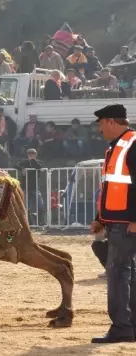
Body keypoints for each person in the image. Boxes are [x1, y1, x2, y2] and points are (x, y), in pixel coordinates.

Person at [90, 104, 136, 344]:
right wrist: (101, 219)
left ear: (110, 122)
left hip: (126, 223)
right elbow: (111, 189)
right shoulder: (119, 146)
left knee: (117, 273)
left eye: (100, 124)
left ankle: (121, 327)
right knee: (127, 272)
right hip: (117, 222)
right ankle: (130, 326)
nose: (100, 130)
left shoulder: (130, 145)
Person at [15, 149, 45, 225]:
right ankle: (27, 222)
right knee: (25, 205)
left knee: (40, 204)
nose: (31, 155)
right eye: (29, 154)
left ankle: (41, 221)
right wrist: (22, 169)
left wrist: (32, 160)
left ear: (36, 155)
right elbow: (15, 165)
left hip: (35, 187)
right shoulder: (24, 162)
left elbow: (39, 167)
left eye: (33, 154)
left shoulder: (39, 162)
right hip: (25, 186)